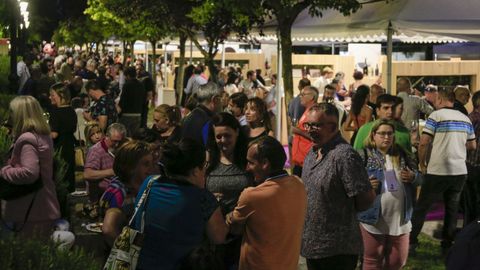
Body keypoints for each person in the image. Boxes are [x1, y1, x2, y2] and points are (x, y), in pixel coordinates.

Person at [132, 139, 228, 269]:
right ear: (195, 170)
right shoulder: (203, 199)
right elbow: (219, 237)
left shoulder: (149, 183)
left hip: (141, 264)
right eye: (204, 166)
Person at [301, 103, 375, 270]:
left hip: (337, 250)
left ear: (333, 126)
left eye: (316, 125)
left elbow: (365, 199)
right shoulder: (312, 153)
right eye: (308, 124)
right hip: (313, 246)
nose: (310, 129)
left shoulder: (344, 156)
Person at [410, 87, 476, 255]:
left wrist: (422, 165)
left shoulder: (436, 116)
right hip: (459, 171)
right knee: (452, 208)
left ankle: (411, 241)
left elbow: (424, 142)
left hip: (437, 170)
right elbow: (472, 145)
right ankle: (447, 244)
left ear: (439, 99)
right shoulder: (465, 119)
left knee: (422, 207)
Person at [227, 136, 307, 270]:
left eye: (251, 162)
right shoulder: (298, 185)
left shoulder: (251, 195)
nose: (247, 168)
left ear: (265, 163)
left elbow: (235, 228)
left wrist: (229, 216)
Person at [357, 119, 420, 270]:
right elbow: (350, 182)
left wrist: (414, 177)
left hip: (400, 219)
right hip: (372, 219)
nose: (386, 137)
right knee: (372, 261)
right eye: (382, 133)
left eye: (390, 133)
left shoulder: (404, 155)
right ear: (373, 135)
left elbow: (420, 178)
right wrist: (365, 185)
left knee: (398, 262)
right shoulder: (362, 155)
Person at [0, 96, 60, 237]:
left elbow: (29, 173)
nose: (10, 116)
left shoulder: (27, 139)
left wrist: (4, 170)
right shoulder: (42, 135)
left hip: (32, 208)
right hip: (41, 206)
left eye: (12, 112)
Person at [205, 112, 253, 268]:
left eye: (227, 135)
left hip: (243, 234)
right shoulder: (207, 159)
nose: (223, 141)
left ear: (237, 132)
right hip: (214, 234)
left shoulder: (248, 158)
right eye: (218, 137)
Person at [100, 140, 155, 246]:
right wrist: (127, 255)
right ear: (130, 168)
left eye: (152, 163)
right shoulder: (120, 193)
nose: (151, 168)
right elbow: (108, 229)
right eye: (145, 164)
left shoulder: (140, 186)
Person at [83, 123, 127, 203]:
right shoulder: (96, 150)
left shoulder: (121, 147)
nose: (117, 144)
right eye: (114, 141)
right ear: (106, 136)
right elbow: (87, 174)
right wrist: (112, 171)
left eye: (120, 141)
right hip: (102, 196)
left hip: (120, 192)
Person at [49, 83, 78, 194]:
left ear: (61, 95)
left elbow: (54, 134)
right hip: (69, 146)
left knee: (59, 175)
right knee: (68, 173)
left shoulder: (55, 112)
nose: (50, 97)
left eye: (52, 95)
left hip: (58, 147)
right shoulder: (72, 111)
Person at [291, 86, 318, 177]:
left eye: (303, 94)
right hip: (300, 161)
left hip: (307, 160)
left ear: (312, 97)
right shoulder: (307, 110)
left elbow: (315, 135)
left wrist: (296, 130)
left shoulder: (314, 112)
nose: (300, 96)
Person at [464, 91, 480, 225]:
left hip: (469, 165)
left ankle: (469, 232)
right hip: (475, 166)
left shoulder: (468, 118)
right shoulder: (474, 120)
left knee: (471, 202)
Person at [118, 66, 146, 136]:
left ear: (127, 75)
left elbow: (122, 100)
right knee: (134, 136)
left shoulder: (126, 85)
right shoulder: (141, 85)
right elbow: (144, 100)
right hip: (138, 114)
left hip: (127, 114)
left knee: (125, 136)